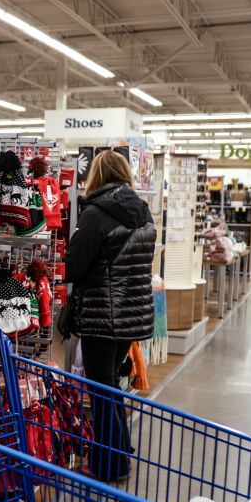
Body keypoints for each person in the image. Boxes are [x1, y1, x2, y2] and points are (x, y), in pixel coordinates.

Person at [63, 150, 156, 482]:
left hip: (102, 315)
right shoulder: (143, 212)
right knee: (110, 385)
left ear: (96, 176)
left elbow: (74, 265)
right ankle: (120, 453)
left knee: (100, 391)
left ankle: (109, 465)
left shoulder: (96, 213)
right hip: (132, 315)